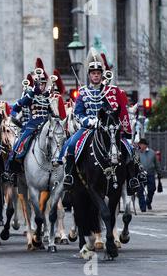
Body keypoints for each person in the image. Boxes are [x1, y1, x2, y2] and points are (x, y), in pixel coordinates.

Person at [59, 48, 140, 194]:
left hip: (107, 128)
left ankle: (133, 178)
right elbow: (78, 113)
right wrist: (88, 121)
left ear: (101, 75)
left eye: (98, 73)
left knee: (128, 148)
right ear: (89, 75)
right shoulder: (83, 92)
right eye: (93, 74)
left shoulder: (110, 92)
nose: (96, 76)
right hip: (88, 128)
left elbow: (115, 110)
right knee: (70, 145)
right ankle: (69, 175)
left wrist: (105, 121)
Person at [137, 138, 162, 211]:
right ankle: (143, 207)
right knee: (140, 191)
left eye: (141, 144)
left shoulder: (152, 153)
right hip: (141, 175)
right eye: (139, 144)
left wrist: (159, 173)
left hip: (150, 174)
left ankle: (148, 202)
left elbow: (157, 164)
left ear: (145, 145)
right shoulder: (137, 153)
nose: (139, 146)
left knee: (152, 189)